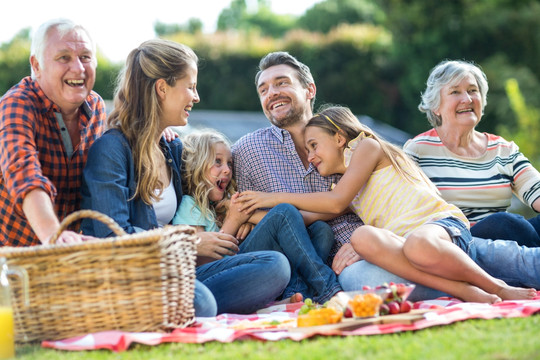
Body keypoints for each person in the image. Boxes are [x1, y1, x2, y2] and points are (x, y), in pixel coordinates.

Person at [237, 105, 538, 303]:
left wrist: (273, 196)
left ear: (340, 137)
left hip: (438, 227)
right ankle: (468, 292)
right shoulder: (344, 188)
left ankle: (498, 288)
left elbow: (334, 201)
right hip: (408, 245)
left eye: (314, 145)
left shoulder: (367, 147)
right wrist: (250, 216)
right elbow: (304, 216)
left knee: (419, 245)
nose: (311, 157)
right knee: (363, 236)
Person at [80, 39, 290, 316]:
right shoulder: (111, 151)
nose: (196, 96)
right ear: (162, 89)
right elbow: (114, 238)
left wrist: (235, 213)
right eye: (190, 86)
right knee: (200, 301)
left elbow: (206, 192)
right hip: (132, 277)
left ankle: (193, 304)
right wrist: (188, 242)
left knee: (275, 265)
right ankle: (200, 304)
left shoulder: (171, 149)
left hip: (177, 271)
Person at [232, 51, 443, 301]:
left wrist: (362, 245)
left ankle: (464, 277)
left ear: (310, 89)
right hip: (324, 263)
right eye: (263, 90)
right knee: (369, 281)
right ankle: (461, 282)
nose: (272, 93)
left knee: (417, 263)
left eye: (282, 82)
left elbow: (375, 200)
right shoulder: (247, 150)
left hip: (372, 243)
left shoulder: (343, 137)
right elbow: (245, 214)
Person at [173, 130, 340, 304]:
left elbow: (284, 226)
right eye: (217, 162)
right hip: (218, 275)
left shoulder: (220, 205)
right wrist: (234, 220)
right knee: (283, 211)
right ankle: (327, 287)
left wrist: (248, 220)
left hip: (241, 259)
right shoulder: (189, 205)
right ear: (197, 165)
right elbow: (201, 262)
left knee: (321, 230)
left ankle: (298, 292)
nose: (227, 170)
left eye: (229, 164)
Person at [404, 60, 540, 247]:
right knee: (504, 222)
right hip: (458, 242)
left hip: (509, 241)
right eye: (455, 92)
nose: (467, 99)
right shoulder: (418, 150)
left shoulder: (503, 149)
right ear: (436, 106)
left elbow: (536, 190)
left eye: (472, 90)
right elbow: (400, 204)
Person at [0, 18, 106, 246]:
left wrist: (158, 134)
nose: (78, 68)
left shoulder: (96, 107)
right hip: (12, 262)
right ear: (37, 65)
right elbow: (23, 173)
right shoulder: (17, 104)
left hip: (66, 259)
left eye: (85, 57)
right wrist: (53, 236)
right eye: (63, 58)